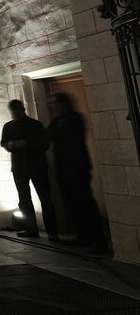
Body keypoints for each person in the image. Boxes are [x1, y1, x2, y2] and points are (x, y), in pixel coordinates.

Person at [47, 92, 108, 252]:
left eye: (56, 103)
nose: (54, 106)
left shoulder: (75, 118)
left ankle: (98, 238)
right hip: (62, 166)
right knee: (71, 203)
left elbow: (73, 140)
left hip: (77, 166)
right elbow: (46, 137)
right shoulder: (57, 121)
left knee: (84, 202)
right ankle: (83, 235)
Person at [1, 99, 59, 240]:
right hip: (21, 167)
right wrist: (10, 145)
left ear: (22, 109)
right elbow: (4, 142)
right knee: (25, 199)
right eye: (13, 110)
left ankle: (50, 231)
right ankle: (34, 229)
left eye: (17, 109)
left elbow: (44, 144)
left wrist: (26, 144)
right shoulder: (9, 126)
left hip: (35, 166)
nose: (15, 112)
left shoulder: (34, 125)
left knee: (44, 198)